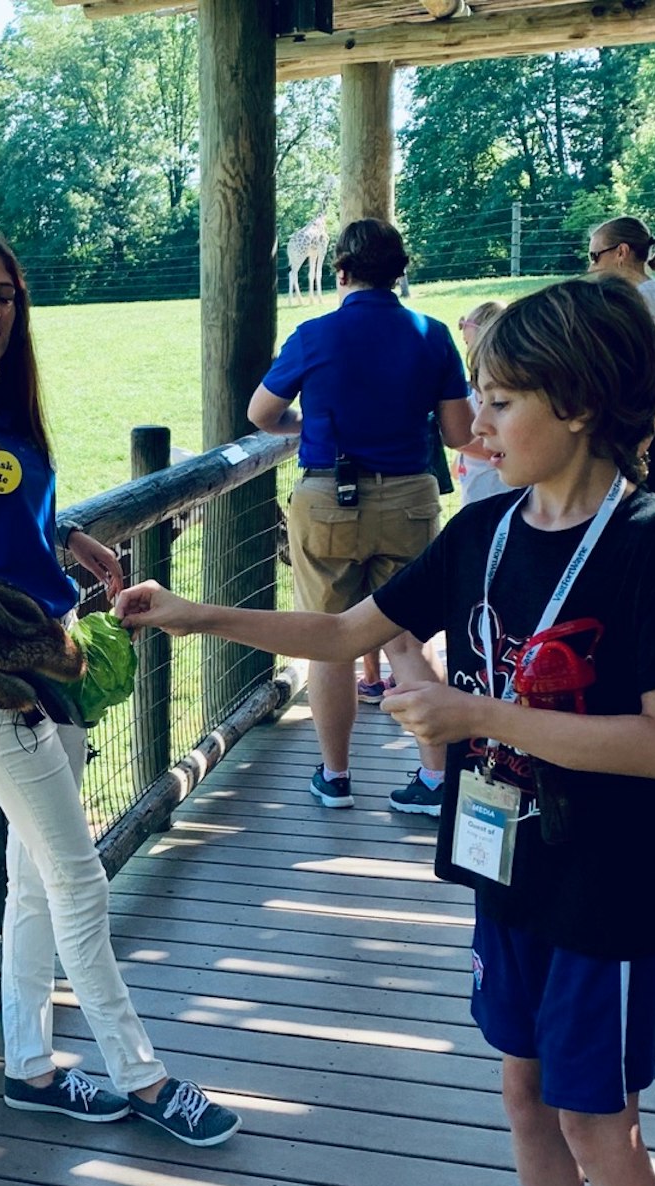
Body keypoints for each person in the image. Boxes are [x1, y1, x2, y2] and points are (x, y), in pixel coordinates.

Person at [117, 276, 655, 1186]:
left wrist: (470, 711)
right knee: (523, 1091)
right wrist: (191, 613)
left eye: (501, 398)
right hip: (511, 871)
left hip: (602, 890)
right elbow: (347, 635)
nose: (480, 421)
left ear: (583, 404)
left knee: (600, 1123)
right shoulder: (489, 531)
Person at [0, 225, 239, 1147]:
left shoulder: (3, 405)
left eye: (4, 294)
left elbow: (5, 512)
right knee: (80, 883)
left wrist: (69, 540)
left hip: (54, 673)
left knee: (34, 885)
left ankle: (29, 1067)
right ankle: (142, 1077)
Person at [249, 217, 473, 817]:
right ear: (400, 273)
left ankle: (336, 775)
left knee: (328, 643)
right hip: (409, 500)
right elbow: (459, 434)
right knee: (406, 637)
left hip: (327, 499)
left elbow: (261, 414)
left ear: (341, 270)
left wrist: (308, 427)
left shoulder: (314, 334)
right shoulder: (431, 333)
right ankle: (434, 779)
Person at [587, 217, 655, 498]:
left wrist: (642, 440)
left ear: (621, 252)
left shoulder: (647, 298)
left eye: (595, 256)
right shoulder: (645, 293)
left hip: (649, 432)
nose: (591, 267)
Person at [453, 299, 509, 504]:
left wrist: (455, 439)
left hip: (497, 494)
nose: (468, 353)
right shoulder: (478, 388)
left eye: (469, 344)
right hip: (476, 494)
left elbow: (497, 447)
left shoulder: (502, 385)